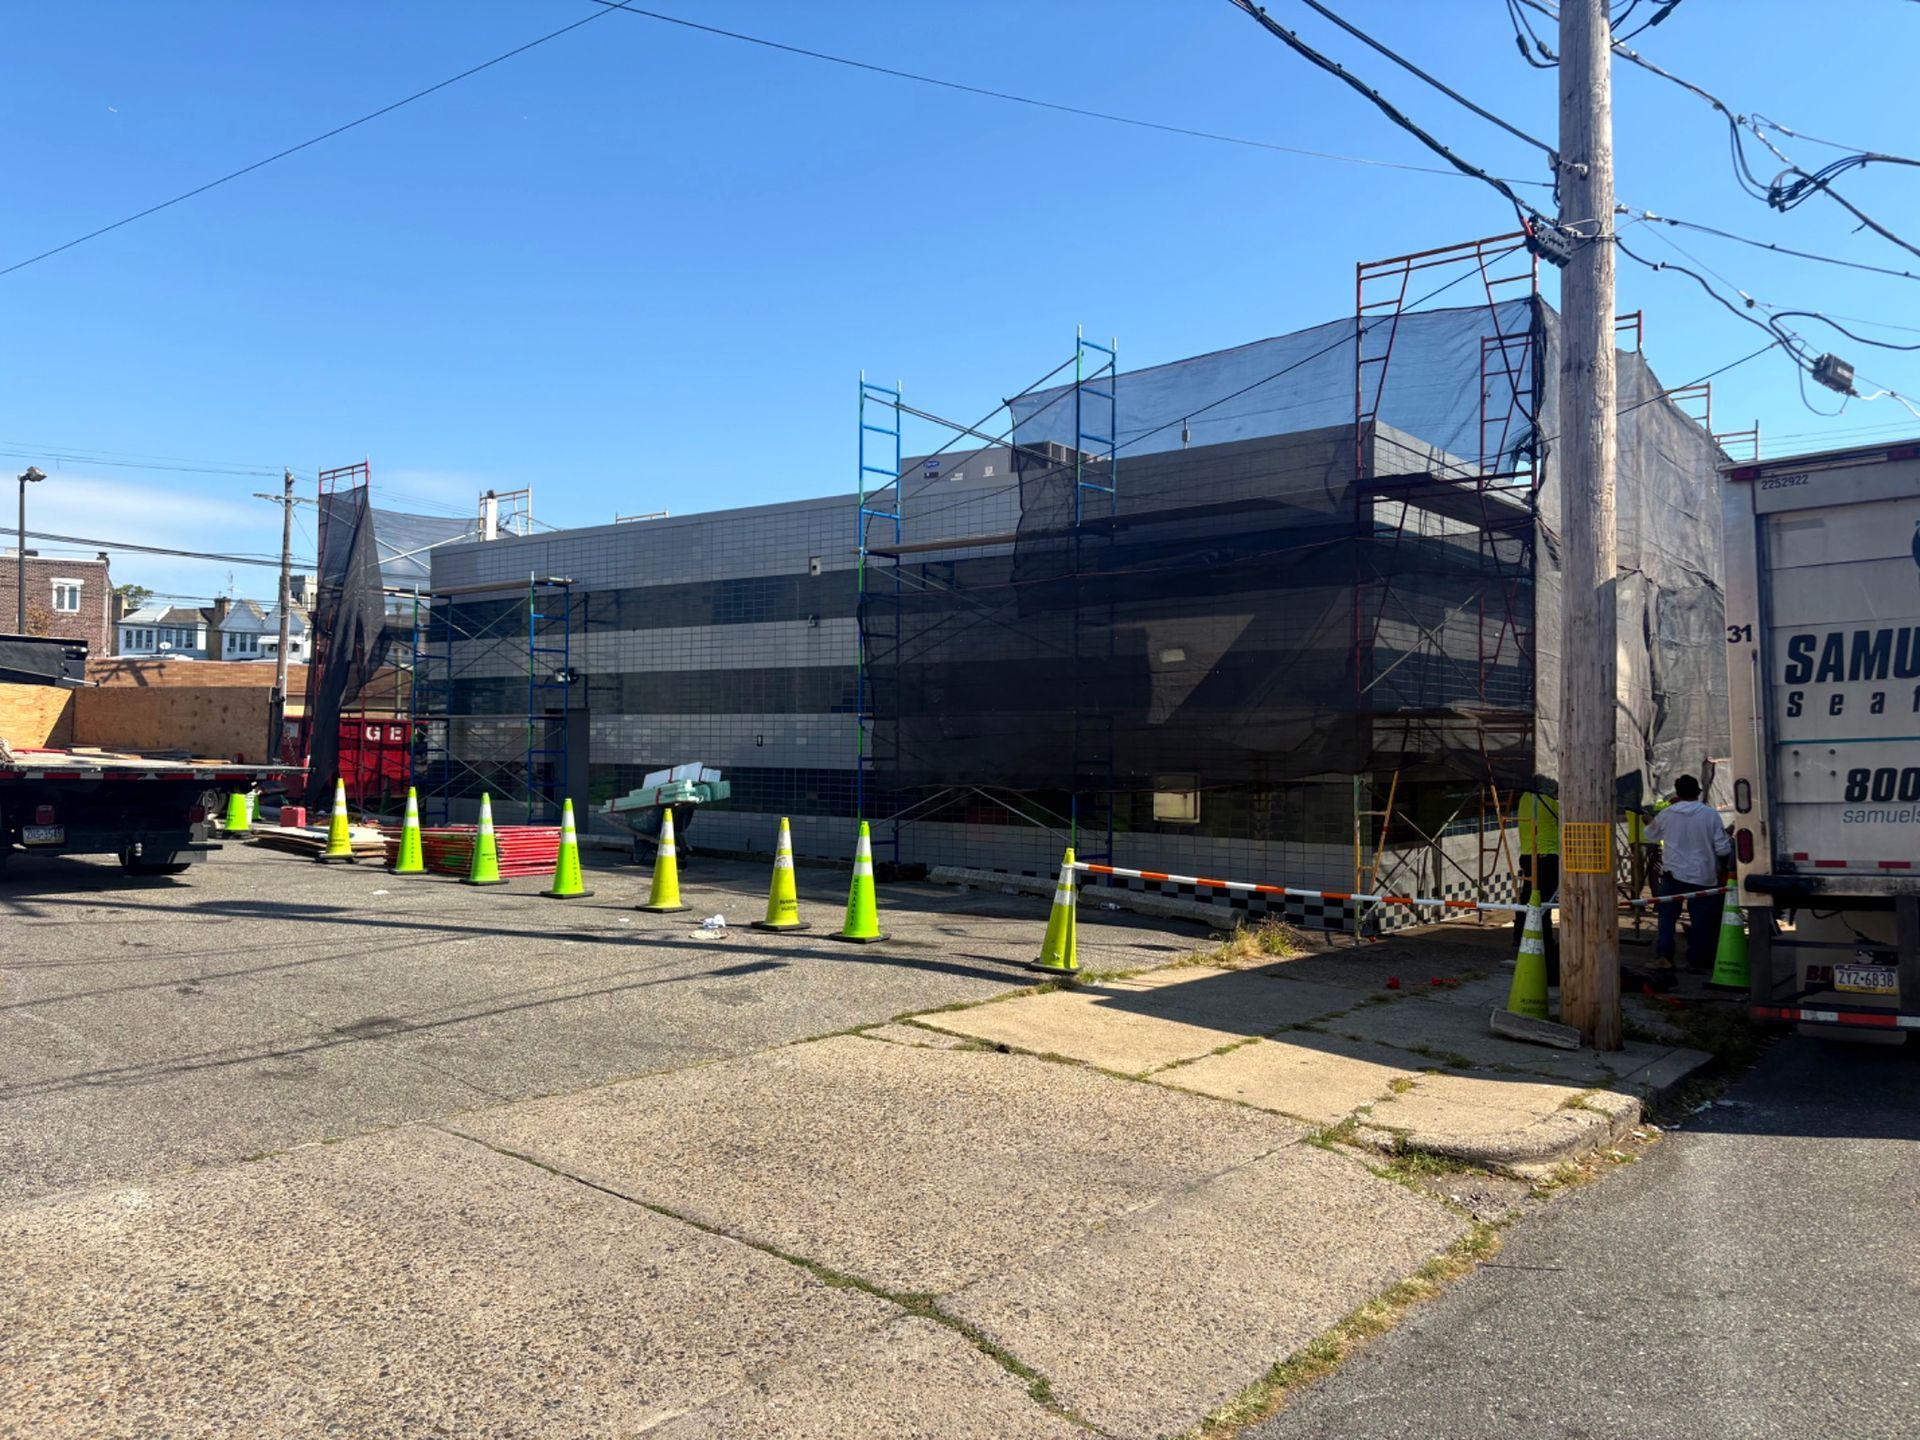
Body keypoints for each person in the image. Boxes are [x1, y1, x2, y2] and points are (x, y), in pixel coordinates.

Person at [1643, 774, 1732, 989]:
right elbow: (1723, 848)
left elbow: (1651, 836)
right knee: (1701, 921)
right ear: (1698, 792)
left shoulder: (1667, 814)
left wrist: (1649, 819)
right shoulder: (1709, 815)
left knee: (1666, 919)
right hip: (1703, 876)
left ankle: (1664, 958)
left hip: (1672, 875)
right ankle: (1697, 961)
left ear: (1677, 793)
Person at [1512, 789, 1560, 981]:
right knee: (1544, 905)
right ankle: (1544, 949)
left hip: (1527, 854)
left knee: (1529, 898)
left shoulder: (1524, 796)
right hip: (1546, 854)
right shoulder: (1550, 797)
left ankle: (1520, 937)